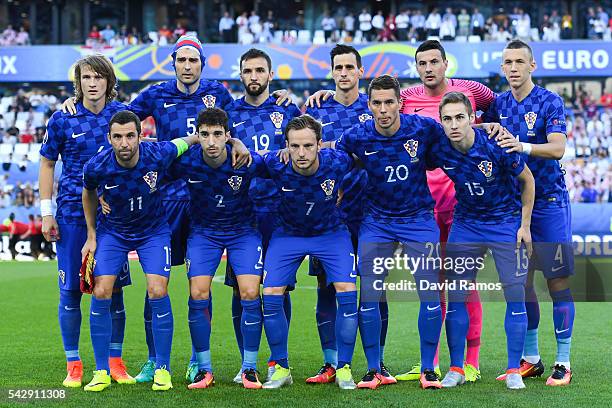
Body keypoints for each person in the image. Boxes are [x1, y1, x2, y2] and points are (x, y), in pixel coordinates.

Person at [62, 36, 253, 383]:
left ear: (202, 63)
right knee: (157, 286)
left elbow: (233, 128)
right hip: (163, 196)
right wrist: (76, 102)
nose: (187, 66)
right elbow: (119, 120)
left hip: (202, 197)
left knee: (201, 286)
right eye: (181, 60)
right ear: (173, 62)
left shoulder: (219, 93)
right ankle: (154, 359)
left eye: (193, 60)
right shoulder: (155, 94)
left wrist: (237, 140)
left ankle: (199, 359)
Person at [328, 75, 446, 389]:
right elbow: (335, 161)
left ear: (399, 103)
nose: (383, 109)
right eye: (377, 103)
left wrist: (484, 128)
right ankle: (373, 368)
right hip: (376, 222)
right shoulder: (357, 136)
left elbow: (455, 142)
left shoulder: (422, 128)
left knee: (430, 295)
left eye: (389, 102)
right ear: (369, 105)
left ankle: (428, 368)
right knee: (369, 295)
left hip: (418, 220)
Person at [80, 110, 197, 392]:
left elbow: (188, 141)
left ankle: (163, 369)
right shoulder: (96, 165)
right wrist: (92, 234)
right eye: (117, 137)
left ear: (140, 136)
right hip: (114, 233)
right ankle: (101, 371)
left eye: (130, 136)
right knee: (101, 291)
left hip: (153, 232)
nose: (124, 143)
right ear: (109, 138)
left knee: (158, 290)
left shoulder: (157, 153)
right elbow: (88, 191)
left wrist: (215, 139)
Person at [430, 92, 535, 389]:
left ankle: (514, 370)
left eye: (459, 118)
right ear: (441, 122)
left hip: (504, 223)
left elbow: (528, 180)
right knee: (457, 297)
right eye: (447, 119)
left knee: (515, 296)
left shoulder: (496, 143)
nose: (453, 125)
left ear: (472, 118)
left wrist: (524, 225)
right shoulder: (440, 148)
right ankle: (456, 368)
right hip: (467, 224)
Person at [40, 55, 133, 388]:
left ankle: (115, 361)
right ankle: (74, 362)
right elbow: (48, 164)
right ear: (77, 82)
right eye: (86, 77)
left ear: (109, 81)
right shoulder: (62, 119)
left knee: (114, 291)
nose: (92, 82)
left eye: (99, 77)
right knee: (71, 293)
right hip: (70, 216)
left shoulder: (121, 117)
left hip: (114, 219)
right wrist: (46, 212)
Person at [486, 39, 575, 386]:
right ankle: (532, 358)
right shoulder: (498, 104)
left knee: (557, 281)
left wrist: (522, 146)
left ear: (531, 66)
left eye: (519, 61)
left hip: (550, 202)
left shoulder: (549, 101)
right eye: (507, 62)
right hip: (514, 205)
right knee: (521, 283)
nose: (512, 67)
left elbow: (558, 148)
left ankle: (563, 361)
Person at [167, 107, 265, 389]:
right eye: (205, 135)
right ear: (198, 136)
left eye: (218, 135)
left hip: (243, 232)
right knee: (197, 294)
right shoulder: (187, 162)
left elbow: (283, 168)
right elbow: (151, 166)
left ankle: (249, 368)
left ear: (228, 136)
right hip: (203, 234)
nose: (211, 141)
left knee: (249, 292)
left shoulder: (244, 159)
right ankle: (204, 369)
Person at [260, 115, 359, 390]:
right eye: (294, 146)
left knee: (348, 292)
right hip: (288, 234)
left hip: (330, 233)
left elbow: (364, 157)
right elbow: (240, 162)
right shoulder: (274, 164)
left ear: (319, 144)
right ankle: (280, 368)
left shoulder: (337, 161)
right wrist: (235, 144)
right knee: (270, 296)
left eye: (307, 146)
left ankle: (344, 368)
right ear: (286, 146)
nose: (301, 153)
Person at [224, 48, 301, 384]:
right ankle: (247, 362)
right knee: (241, 290)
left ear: (271, 75)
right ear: (240, 75)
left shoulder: (287, 109)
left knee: (278, 289)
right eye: (247, 71)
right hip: (241, 213)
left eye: (259, 70)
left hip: (282, 213)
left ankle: (277, 362)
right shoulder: (227, 113)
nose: (253, 76)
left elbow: (310, 148)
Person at [304, 44, 374, 385]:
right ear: (332, 72)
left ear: (360, 71)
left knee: (374, 288)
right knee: (326, 286)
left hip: (372, 211)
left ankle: (376, 363)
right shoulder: (318, 110)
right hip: (328, 213)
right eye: (338, 67)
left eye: (350, 67)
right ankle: (330, 362)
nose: (344, 72)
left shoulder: (375, 107)